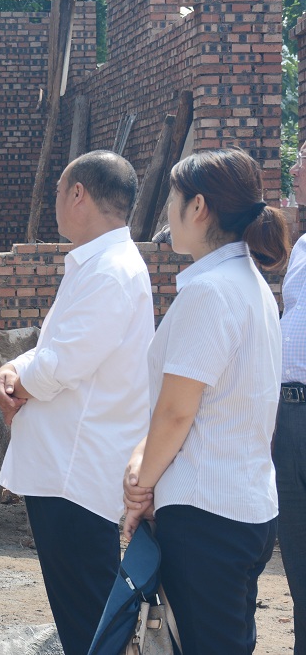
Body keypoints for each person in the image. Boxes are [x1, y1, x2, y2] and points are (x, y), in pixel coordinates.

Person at [123, 148, 290, 653]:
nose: (167, 212)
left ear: (198, 207)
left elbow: (177, 412)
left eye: (172, 198)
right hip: (244, 508)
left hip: (206, 515)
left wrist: (140, 488)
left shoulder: (210, 292)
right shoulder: (250, 285)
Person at [0, 150, 154, 655]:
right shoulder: (97, 263)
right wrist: (15, 368)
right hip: (67, 466)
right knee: (84, 613)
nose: (56, 202)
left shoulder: (109, 271)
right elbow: (58, 345)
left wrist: (17, 383)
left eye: (59, 192)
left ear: (77, 193)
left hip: (74, 472)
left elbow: (64, 363)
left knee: (88, 617)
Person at [273, 144, 306, 654]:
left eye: (304, 159)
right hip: (288, 412)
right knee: (297, 555)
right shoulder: (301, 247)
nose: (295, 169)